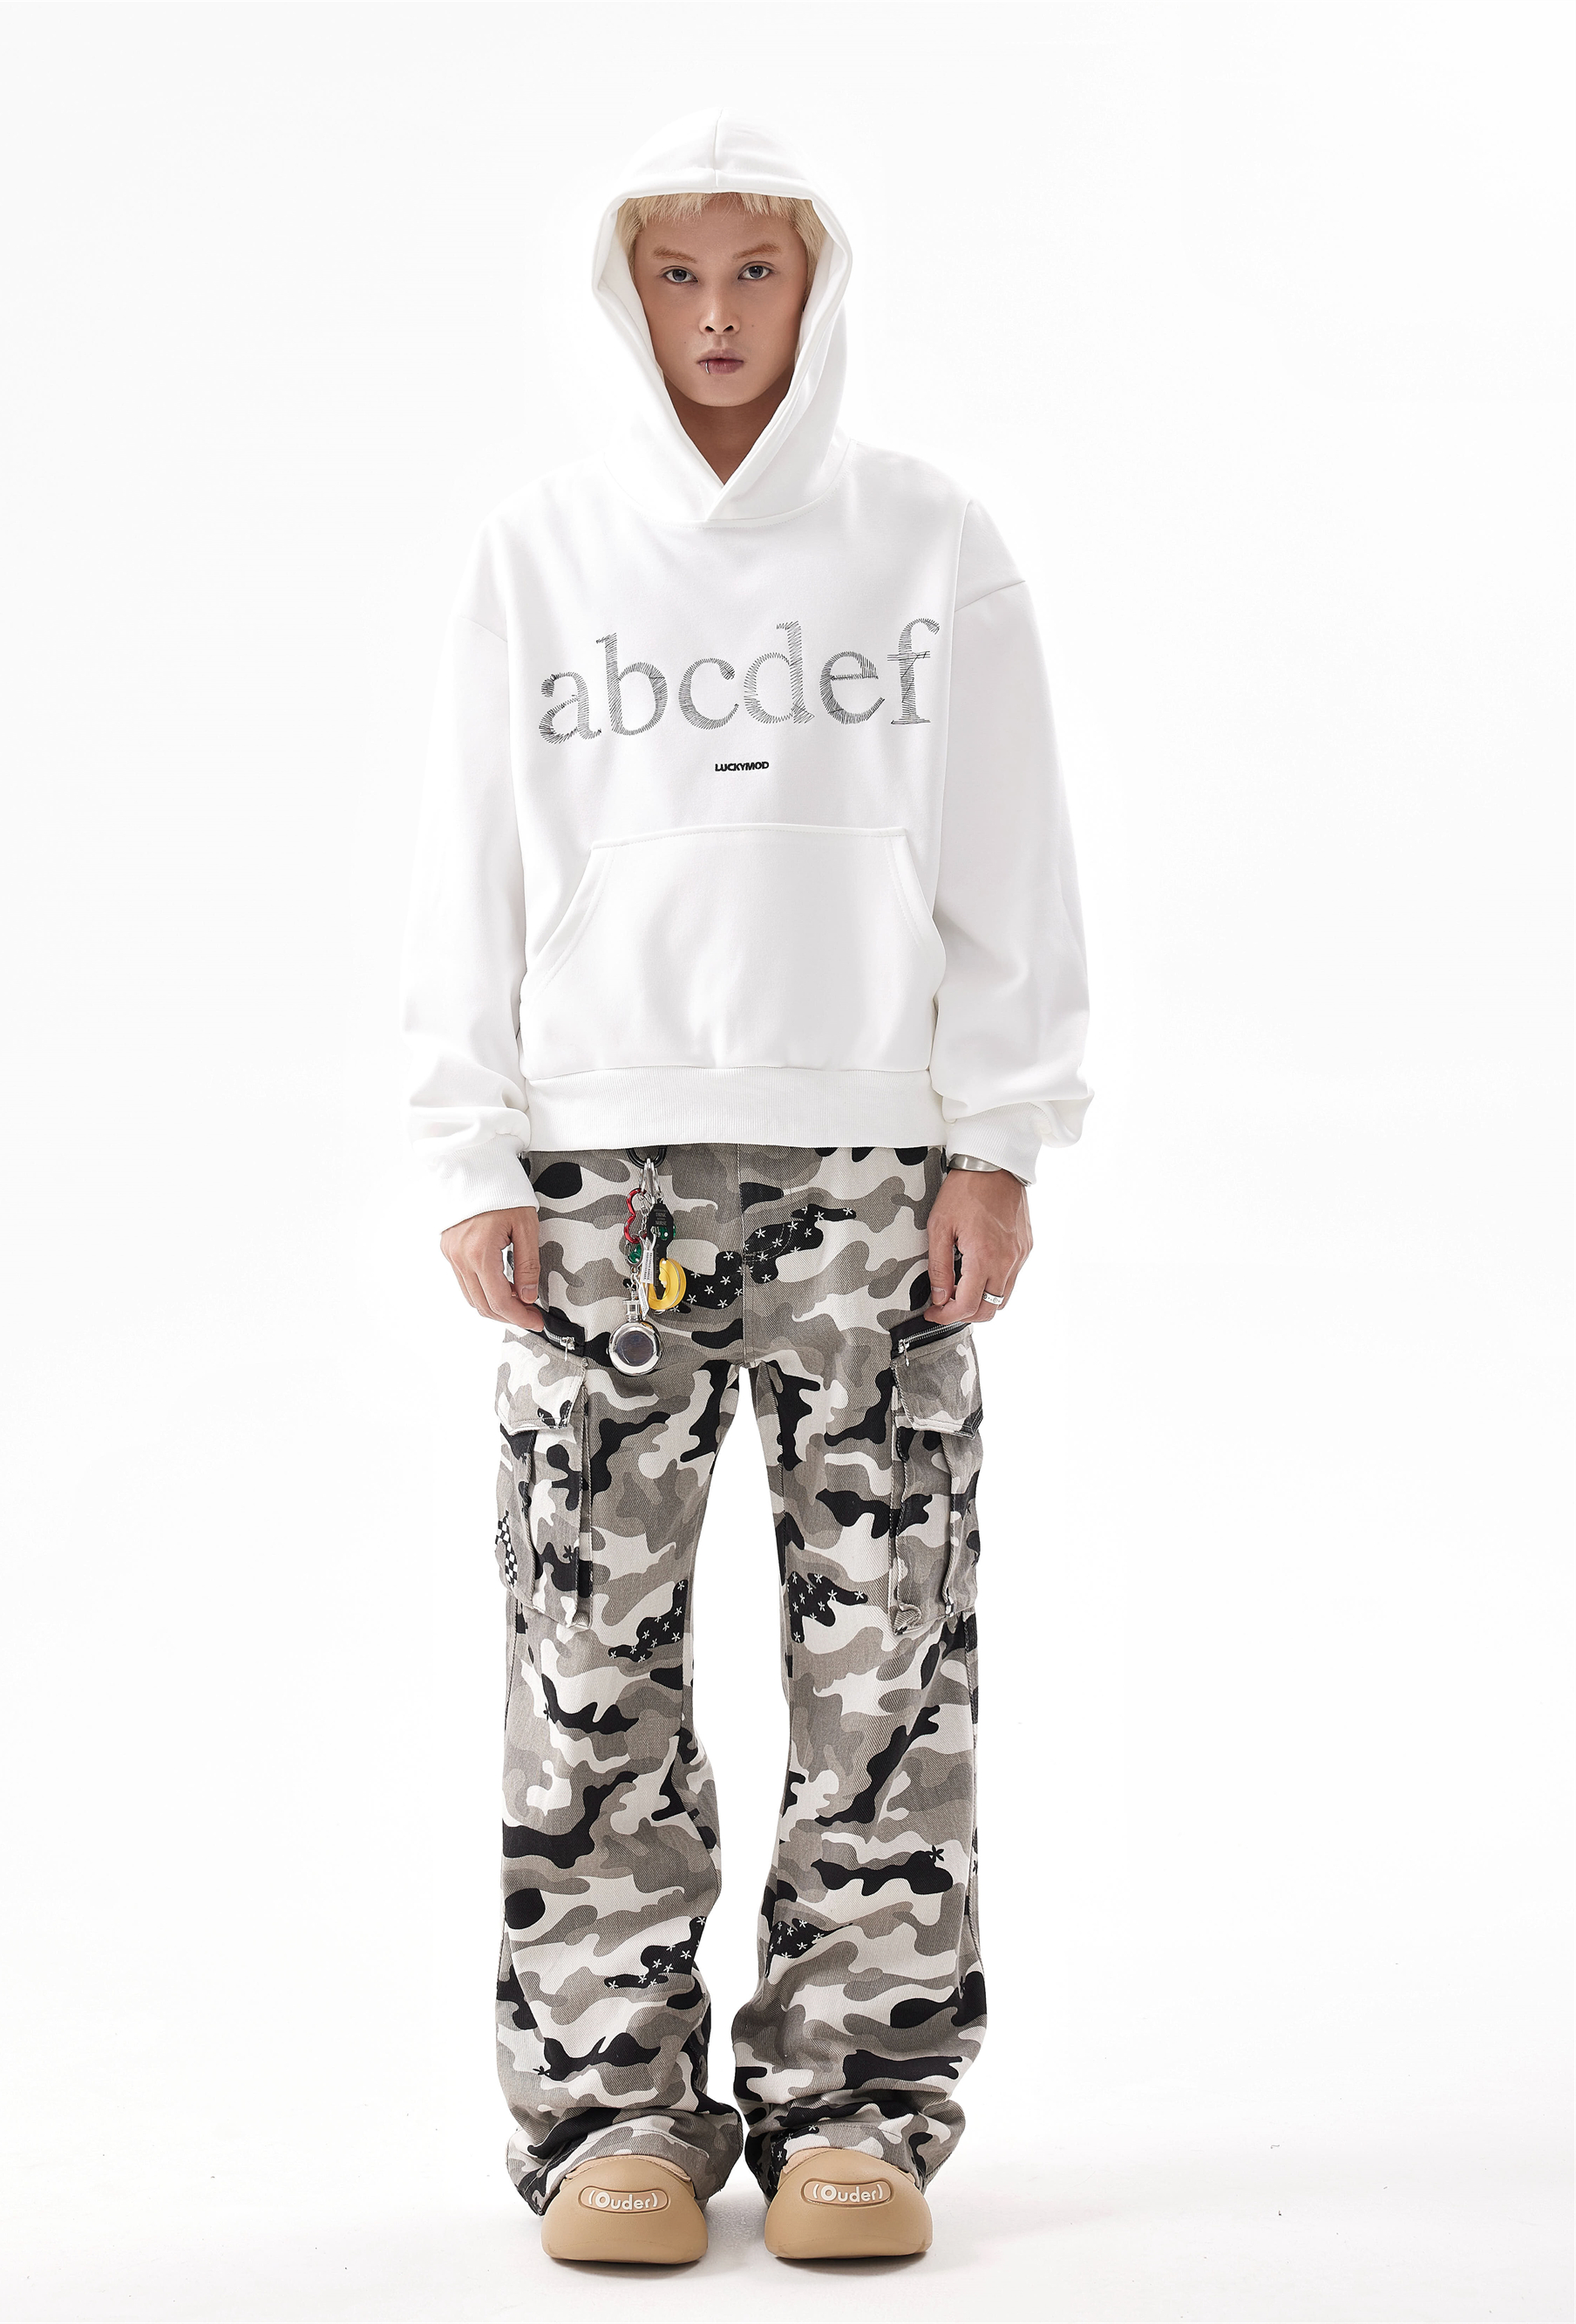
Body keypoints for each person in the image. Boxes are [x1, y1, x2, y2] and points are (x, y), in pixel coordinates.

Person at [398, 107, 1090, 2266]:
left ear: (817, 282)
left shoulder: (928, 540)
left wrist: (1001, 1133)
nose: (715, 317)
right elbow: (462, 857)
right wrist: (468, 1140)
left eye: (755, 271)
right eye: (677, 275)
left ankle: (854, 2109)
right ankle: (611, 2110)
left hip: (876, 1167)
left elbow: (1007, 858)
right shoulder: (539, 551)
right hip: (599, 1176)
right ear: (624, 290)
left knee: (888, 1650)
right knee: (585, 1645)